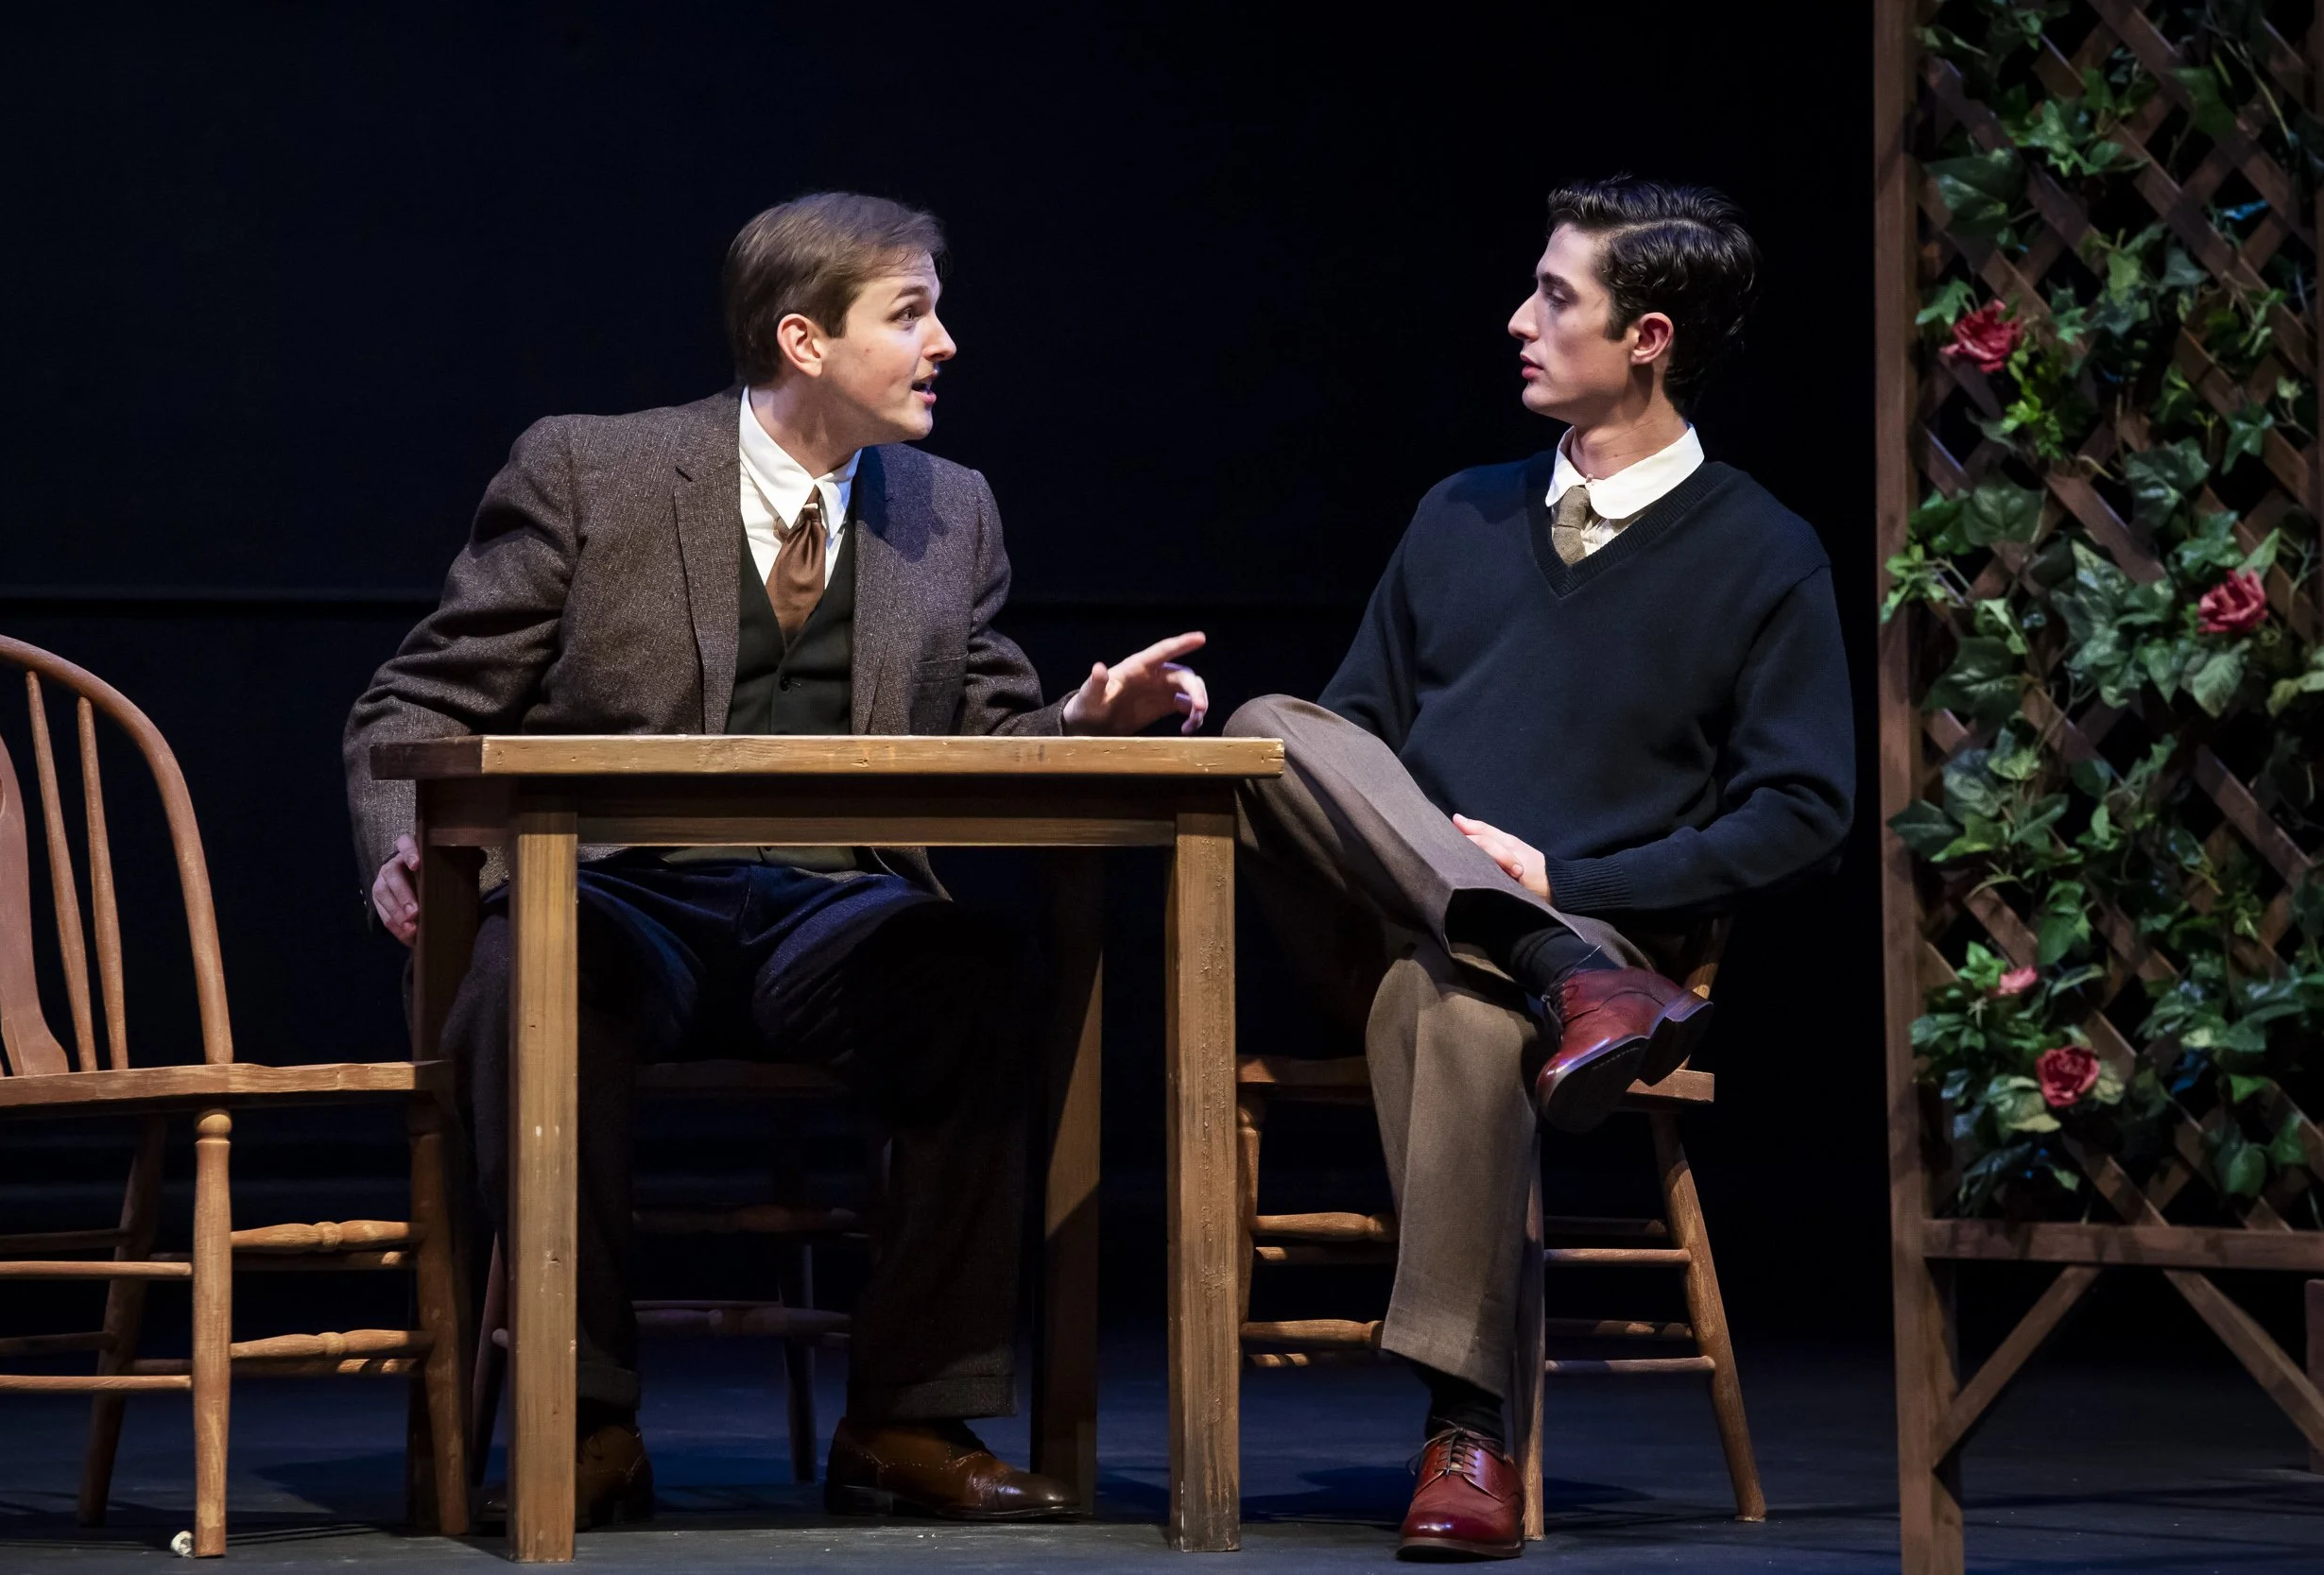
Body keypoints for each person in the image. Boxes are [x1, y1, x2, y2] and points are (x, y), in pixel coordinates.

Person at [342, 192, 1210, 1528]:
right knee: (529, 985)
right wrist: (409, 847)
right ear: (803, 339)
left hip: (833, 907)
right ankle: (586, 1422)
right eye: (910, 313)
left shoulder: (951, 509)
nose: (947, 343)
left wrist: (1085, 724)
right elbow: (415, 703)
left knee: (981, 985)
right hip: (619, 891)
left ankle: (908, 1421)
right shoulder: (593, 469)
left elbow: (987, 731)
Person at [1225, 177, 1852, 1559]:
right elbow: (1352, 738)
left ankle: (1467, 1432)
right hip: (1414, 924)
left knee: (1457, 1005)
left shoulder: (1764, 552)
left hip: (1605, 933)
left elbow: (1807, 809)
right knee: (1270, 728)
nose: (1518, 320)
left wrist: (1576, 875)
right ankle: (1547, 960)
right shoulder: (1456, 512)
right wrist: (1512, 899)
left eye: (1556, 296)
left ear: (1652, 337)